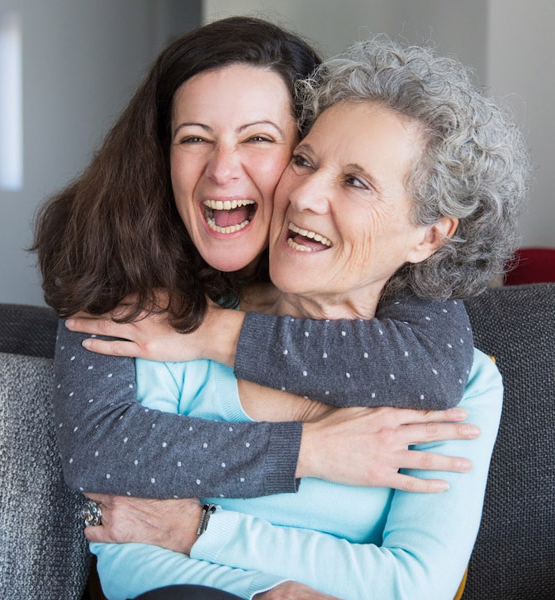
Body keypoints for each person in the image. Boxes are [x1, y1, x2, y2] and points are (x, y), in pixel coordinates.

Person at [79, 38, 529, 599]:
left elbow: (415, 584)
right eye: (304, 161)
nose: (305, 195)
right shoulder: (177, 326)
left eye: (355, 182)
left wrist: (199, 531)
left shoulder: (462, 382)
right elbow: (125, 547)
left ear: (429, 235)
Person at [33, 17, 478, 508]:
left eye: (259, 139)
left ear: (305, 151)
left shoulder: (358, 254)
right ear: (160, 153)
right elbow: (97, 448)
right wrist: (307, 450)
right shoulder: (113, 248)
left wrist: (213, 333)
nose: (222, 170)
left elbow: (430, 368)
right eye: (194, 138)